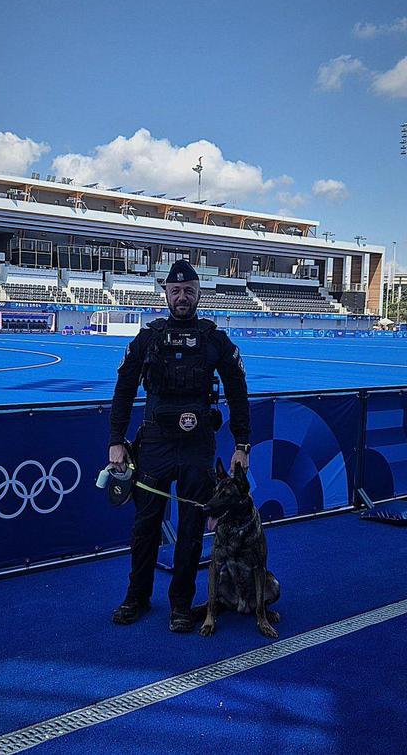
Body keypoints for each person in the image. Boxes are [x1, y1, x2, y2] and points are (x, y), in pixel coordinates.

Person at [108, 260, 251, 633]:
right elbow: (123, 389)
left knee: (190, 531)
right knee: (145, 528)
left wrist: (242, 444)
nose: (182, 296)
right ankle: (136, 598)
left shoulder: (214, 339)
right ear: (166, 294)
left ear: (199, 293)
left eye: (189, 290)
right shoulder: (149, 337)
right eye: (176, 290)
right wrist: (115, 441)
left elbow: (237, 391)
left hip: (197, 447)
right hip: (154, 444)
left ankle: (181, 606)